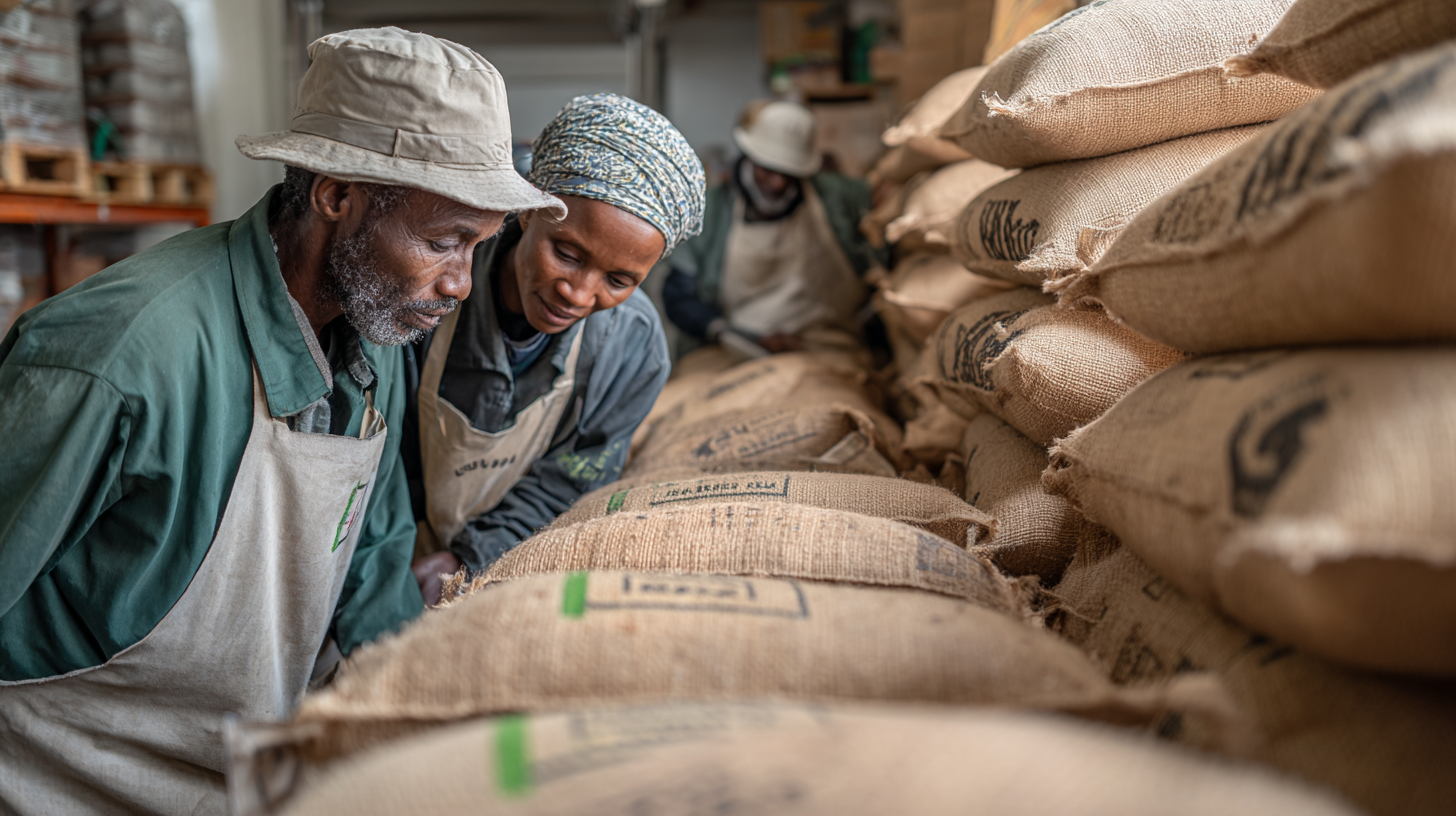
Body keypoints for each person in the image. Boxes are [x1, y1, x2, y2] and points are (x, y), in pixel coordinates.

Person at [0, 28, 562, 814]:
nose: (462, 284)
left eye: (478, 248)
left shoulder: (374, 344)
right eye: (443, 242)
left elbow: (372, 568)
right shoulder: (120, 357)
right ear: (337, 194)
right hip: (68, 775)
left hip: (232, 769)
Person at [406, 93, 705, 601]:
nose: (580, 294)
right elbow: (374, 444)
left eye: (618, 279)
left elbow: (570, 480)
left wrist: (470, 558)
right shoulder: (433, 290)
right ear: (528, 212)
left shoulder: (630, 348)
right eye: (566, 253)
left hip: (510, 557)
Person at [662, 100, 884, 358]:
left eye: (788, 172)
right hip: (733, 349)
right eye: (768, 170)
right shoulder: (709, 212)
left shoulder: (840, 198)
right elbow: (679, 297)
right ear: (749, 156)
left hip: (828, 345)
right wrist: (728, 333)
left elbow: (881, 256)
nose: (778, 184)